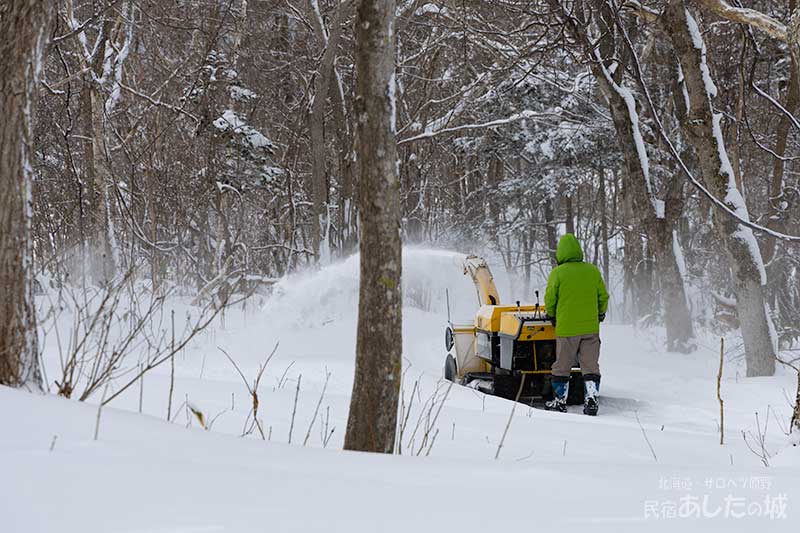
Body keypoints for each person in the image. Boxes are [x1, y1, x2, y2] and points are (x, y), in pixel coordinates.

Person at [543, 233, 609, 415]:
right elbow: (603, 296)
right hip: (590, 329)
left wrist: (552, 315)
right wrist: (600, 313)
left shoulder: (558, 273)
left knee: (562, 365)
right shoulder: (592, 271)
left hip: (566, 329)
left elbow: (550, 299)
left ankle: (559, 401)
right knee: (590, 366)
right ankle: (591, 400)